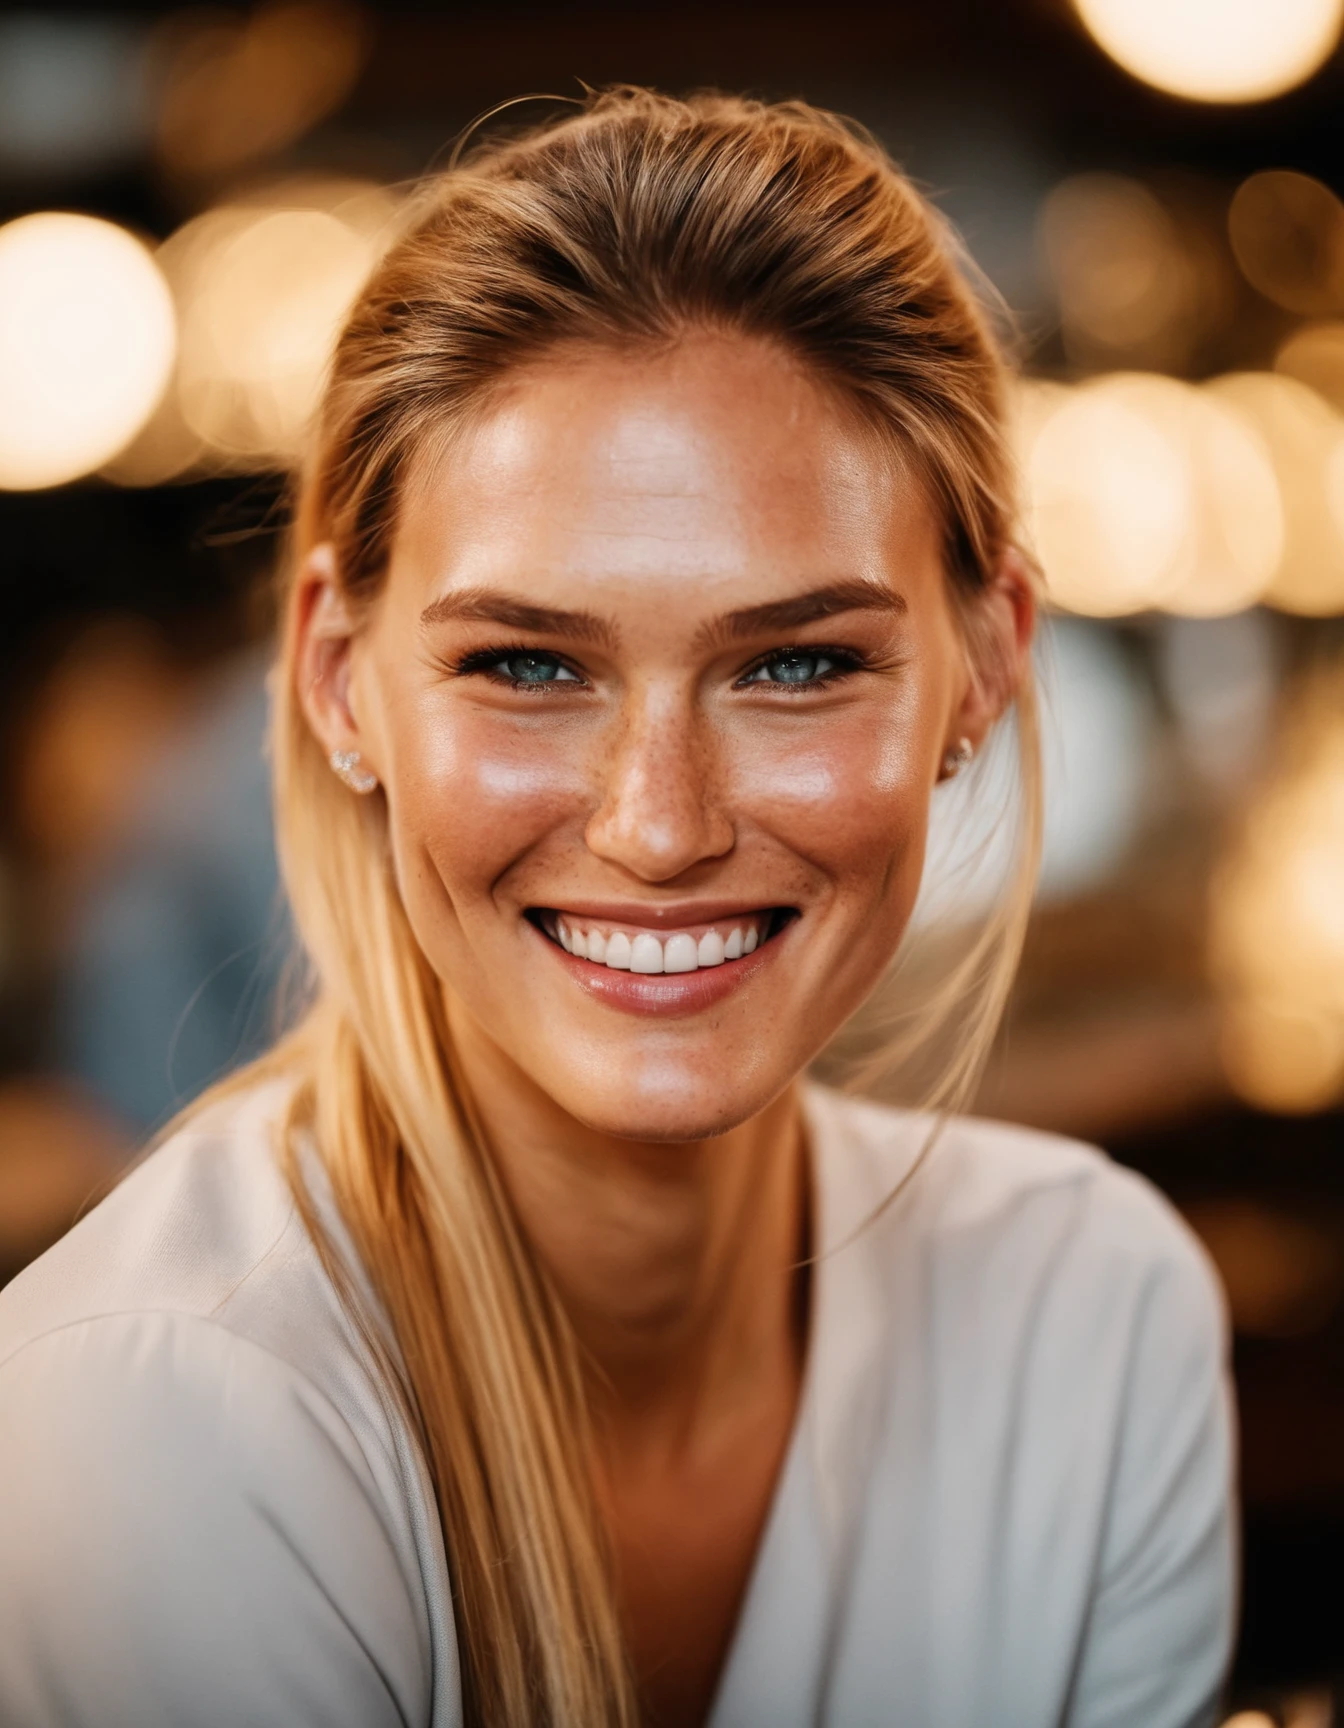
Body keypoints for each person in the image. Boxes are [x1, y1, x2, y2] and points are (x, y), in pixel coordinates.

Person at [0, 89, 1233, 1728]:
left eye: (796, 664)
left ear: (986, 666)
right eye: (526, 666)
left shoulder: (1089, 1317)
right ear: (342, 680)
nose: (658, 828)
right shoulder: (158, 1412)